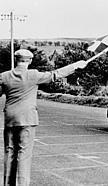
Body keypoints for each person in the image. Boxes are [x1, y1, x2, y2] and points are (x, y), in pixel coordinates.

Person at [0, 49, 88, 186]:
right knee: (24, 154)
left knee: (9, 152)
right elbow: (55, 74)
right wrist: (76, 65)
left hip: (10, 118)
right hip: (27, 119)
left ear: (16, 59)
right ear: (29, 60)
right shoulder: (33, 75)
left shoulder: (4, 76)